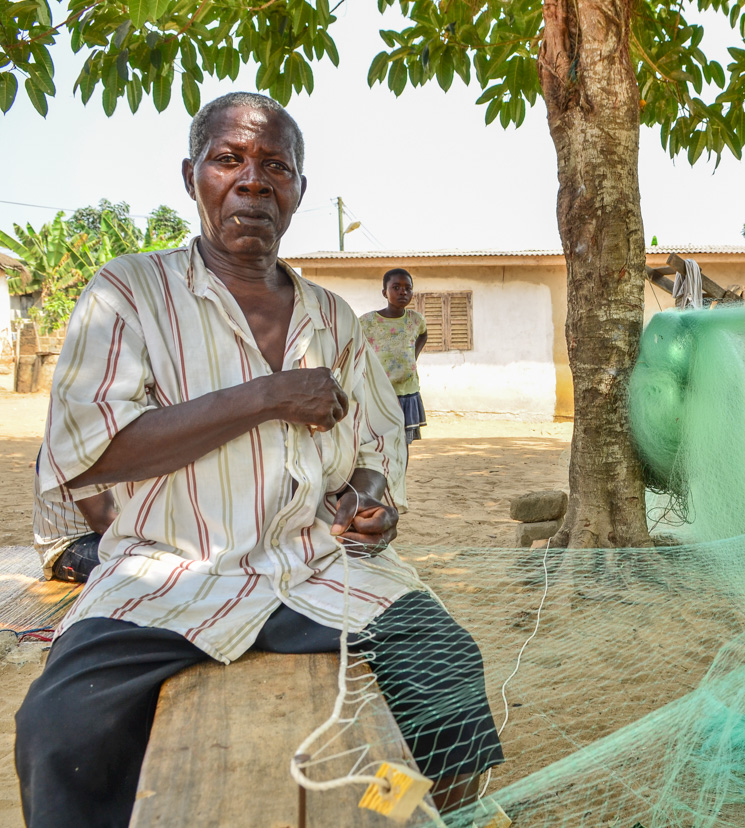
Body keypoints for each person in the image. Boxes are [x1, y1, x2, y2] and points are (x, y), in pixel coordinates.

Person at [15, 92, 502, 828]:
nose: (253, 181)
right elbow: (92, 451)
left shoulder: (336, 321)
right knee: (58, 731)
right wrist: (268, 396)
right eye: (229, 159)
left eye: (277, 166)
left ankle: (435, 817)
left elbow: (373, 449)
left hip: (312, 569)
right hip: (165, 576)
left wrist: (369, 504)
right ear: (191, 176)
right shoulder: (128, 292)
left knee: (449, 672)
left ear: (300, 191)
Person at [360, 268, 429, 442]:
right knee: (379, 441)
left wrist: (414, 355)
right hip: (378, 392)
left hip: (407, 391)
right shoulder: (368, 321)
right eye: (396, 287)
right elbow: (353, 343)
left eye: (408, 288)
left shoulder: (415, 320)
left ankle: (401, 471)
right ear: (385, 292)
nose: (403, 292)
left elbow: (423, 334)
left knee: (402, 442)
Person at [31, 445, 117, 583]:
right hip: (71, 547)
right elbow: (103, 520)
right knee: (154, 565)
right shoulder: (72, 446)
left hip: (105, 533)